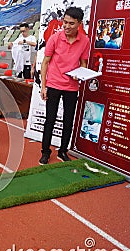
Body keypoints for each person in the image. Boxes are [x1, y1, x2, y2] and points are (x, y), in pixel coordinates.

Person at [39, 7, 90, 165]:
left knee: (68, 121)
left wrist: (80, 74)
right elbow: (45, 62)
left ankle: (62, 151)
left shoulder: (85, 41)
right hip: (54, 84)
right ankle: (45, 152)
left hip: (72, 87)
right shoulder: (55, 38)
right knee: (50, 120)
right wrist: (43, 86)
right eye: (65, 22)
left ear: (79, 24)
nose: (66, 26)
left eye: (71, 24)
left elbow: (83, 63)